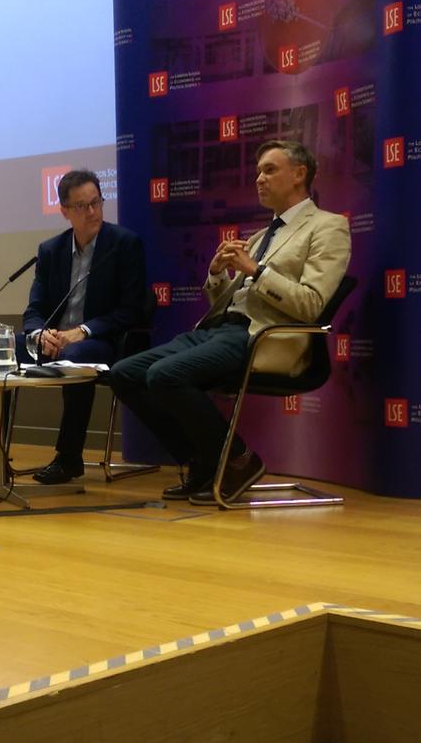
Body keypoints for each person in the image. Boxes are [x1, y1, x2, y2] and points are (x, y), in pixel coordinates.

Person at [109, 140, 351, 505]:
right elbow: (230, 300)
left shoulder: (328, 227)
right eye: (258, 172)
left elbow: (312, 305)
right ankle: (204, 462)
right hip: (221, 330)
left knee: (165, 374)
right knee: (124, 373)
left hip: (261, 337)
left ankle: (238, 460)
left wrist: (256, 270)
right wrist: (217, 273)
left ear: (299, 174)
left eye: (269, 170)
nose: (259, 179)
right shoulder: (262, 236)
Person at [0, 169, 146, 488]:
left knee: (76, 356)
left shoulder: (124, 244)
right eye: (82, 206)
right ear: (65, 211)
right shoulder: (51, 250)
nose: (92, 212)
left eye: (96, 202)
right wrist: (39, 333)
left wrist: (82, 330)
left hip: (100, 342)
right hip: (52, 340)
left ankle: (69, 458)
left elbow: (132, 309)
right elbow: (34, 309)